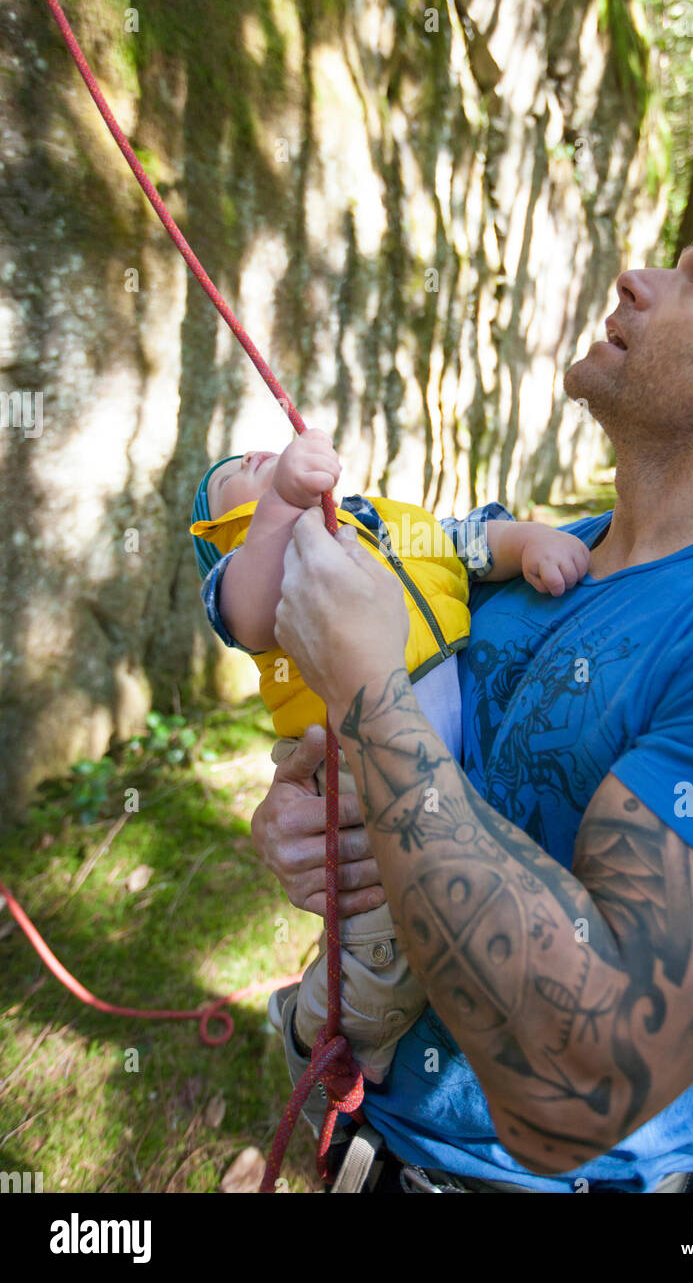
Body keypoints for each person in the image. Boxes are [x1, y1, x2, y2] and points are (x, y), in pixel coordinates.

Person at [249, 202, 693, 1194]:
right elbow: (417, 783)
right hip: (366, 1149)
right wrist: (308, 817)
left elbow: (576, 1085)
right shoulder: (539, 561)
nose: (635, 279)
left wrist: (365, 691)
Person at [189, 436, 589, 1083]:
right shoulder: (264, 562)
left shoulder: (380, 522)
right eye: (232, 473)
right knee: (384, 947)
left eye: (254, 450)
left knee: (396, 924)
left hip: (439, 757)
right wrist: (281, 506)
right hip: (353, 773)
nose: (253, 456)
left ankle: (337, 1002)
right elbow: (254, 614)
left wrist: (530, 544)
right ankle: (329, 1036)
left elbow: (466, 542)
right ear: (218, 529)